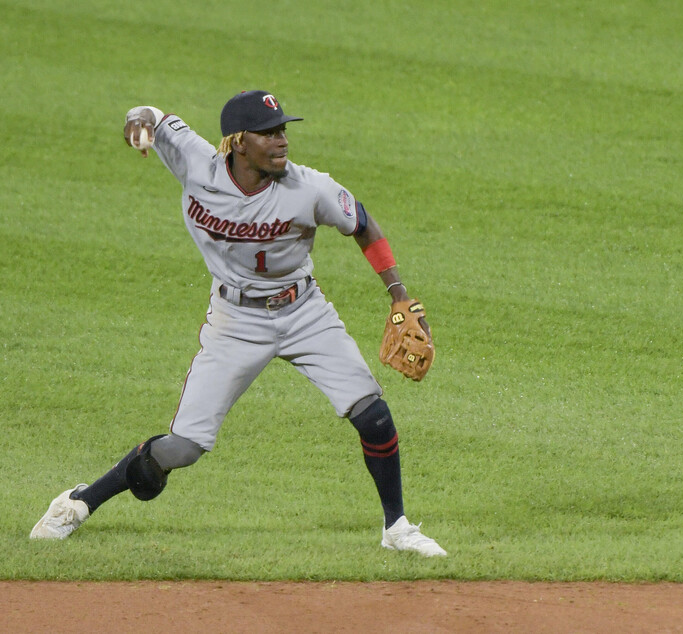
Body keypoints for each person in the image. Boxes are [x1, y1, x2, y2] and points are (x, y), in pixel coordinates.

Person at [30, 90, 446, 557]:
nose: (282, 141)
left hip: (304, 311)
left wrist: (399, 294)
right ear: (238, 142)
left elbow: (364, 225)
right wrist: (137, 124)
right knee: (182, 448)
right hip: (234, 320)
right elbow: (150, 114)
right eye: (269, 133)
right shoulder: (196, 163)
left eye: (283, 130)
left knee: (372, 413)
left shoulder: (310, 187)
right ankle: (78, 503)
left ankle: (397, 528)